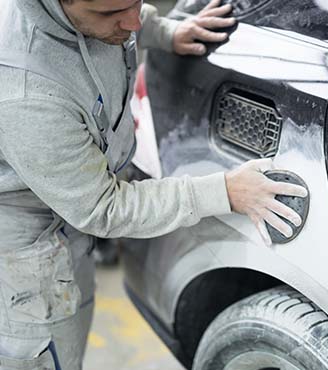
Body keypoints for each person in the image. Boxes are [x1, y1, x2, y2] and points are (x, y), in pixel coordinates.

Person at [0, 0, 308, 368]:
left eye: (135, 2)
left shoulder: (92, 13)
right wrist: (223, 191)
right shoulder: (25, 94)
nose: (131, 23)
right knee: (53, 354)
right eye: (111, 14)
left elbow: (125, 15)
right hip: (28, 259)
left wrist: (165, 32)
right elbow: (103, 207)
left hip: (68, 225)